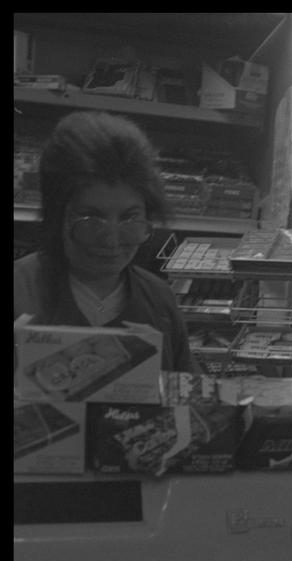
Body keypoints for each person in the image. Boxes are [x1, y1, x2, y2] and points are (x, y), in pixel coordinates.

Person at [13, 111, 196, 372]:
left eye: (130, 218)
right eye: (91, 218)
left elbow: (189, 400)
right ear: (57, 216)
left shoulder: (159, 300)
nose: (111, 241)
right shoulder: (19, 291)